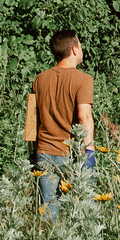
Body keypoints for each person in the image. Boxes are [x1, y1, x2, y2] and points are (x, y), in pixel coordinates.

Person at [30, 29, 95, 219]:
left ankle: (47, 237)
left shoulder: (40, 79)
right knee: (84, 208)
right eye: (80, 45)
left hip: (44, 152)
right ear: (74, 49)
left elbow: (32, 119)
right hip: (73, 154)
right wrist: (89, 151)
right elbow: (84, 117)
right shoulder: (83, 80)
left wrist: (34, 151)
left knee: (48, 209)